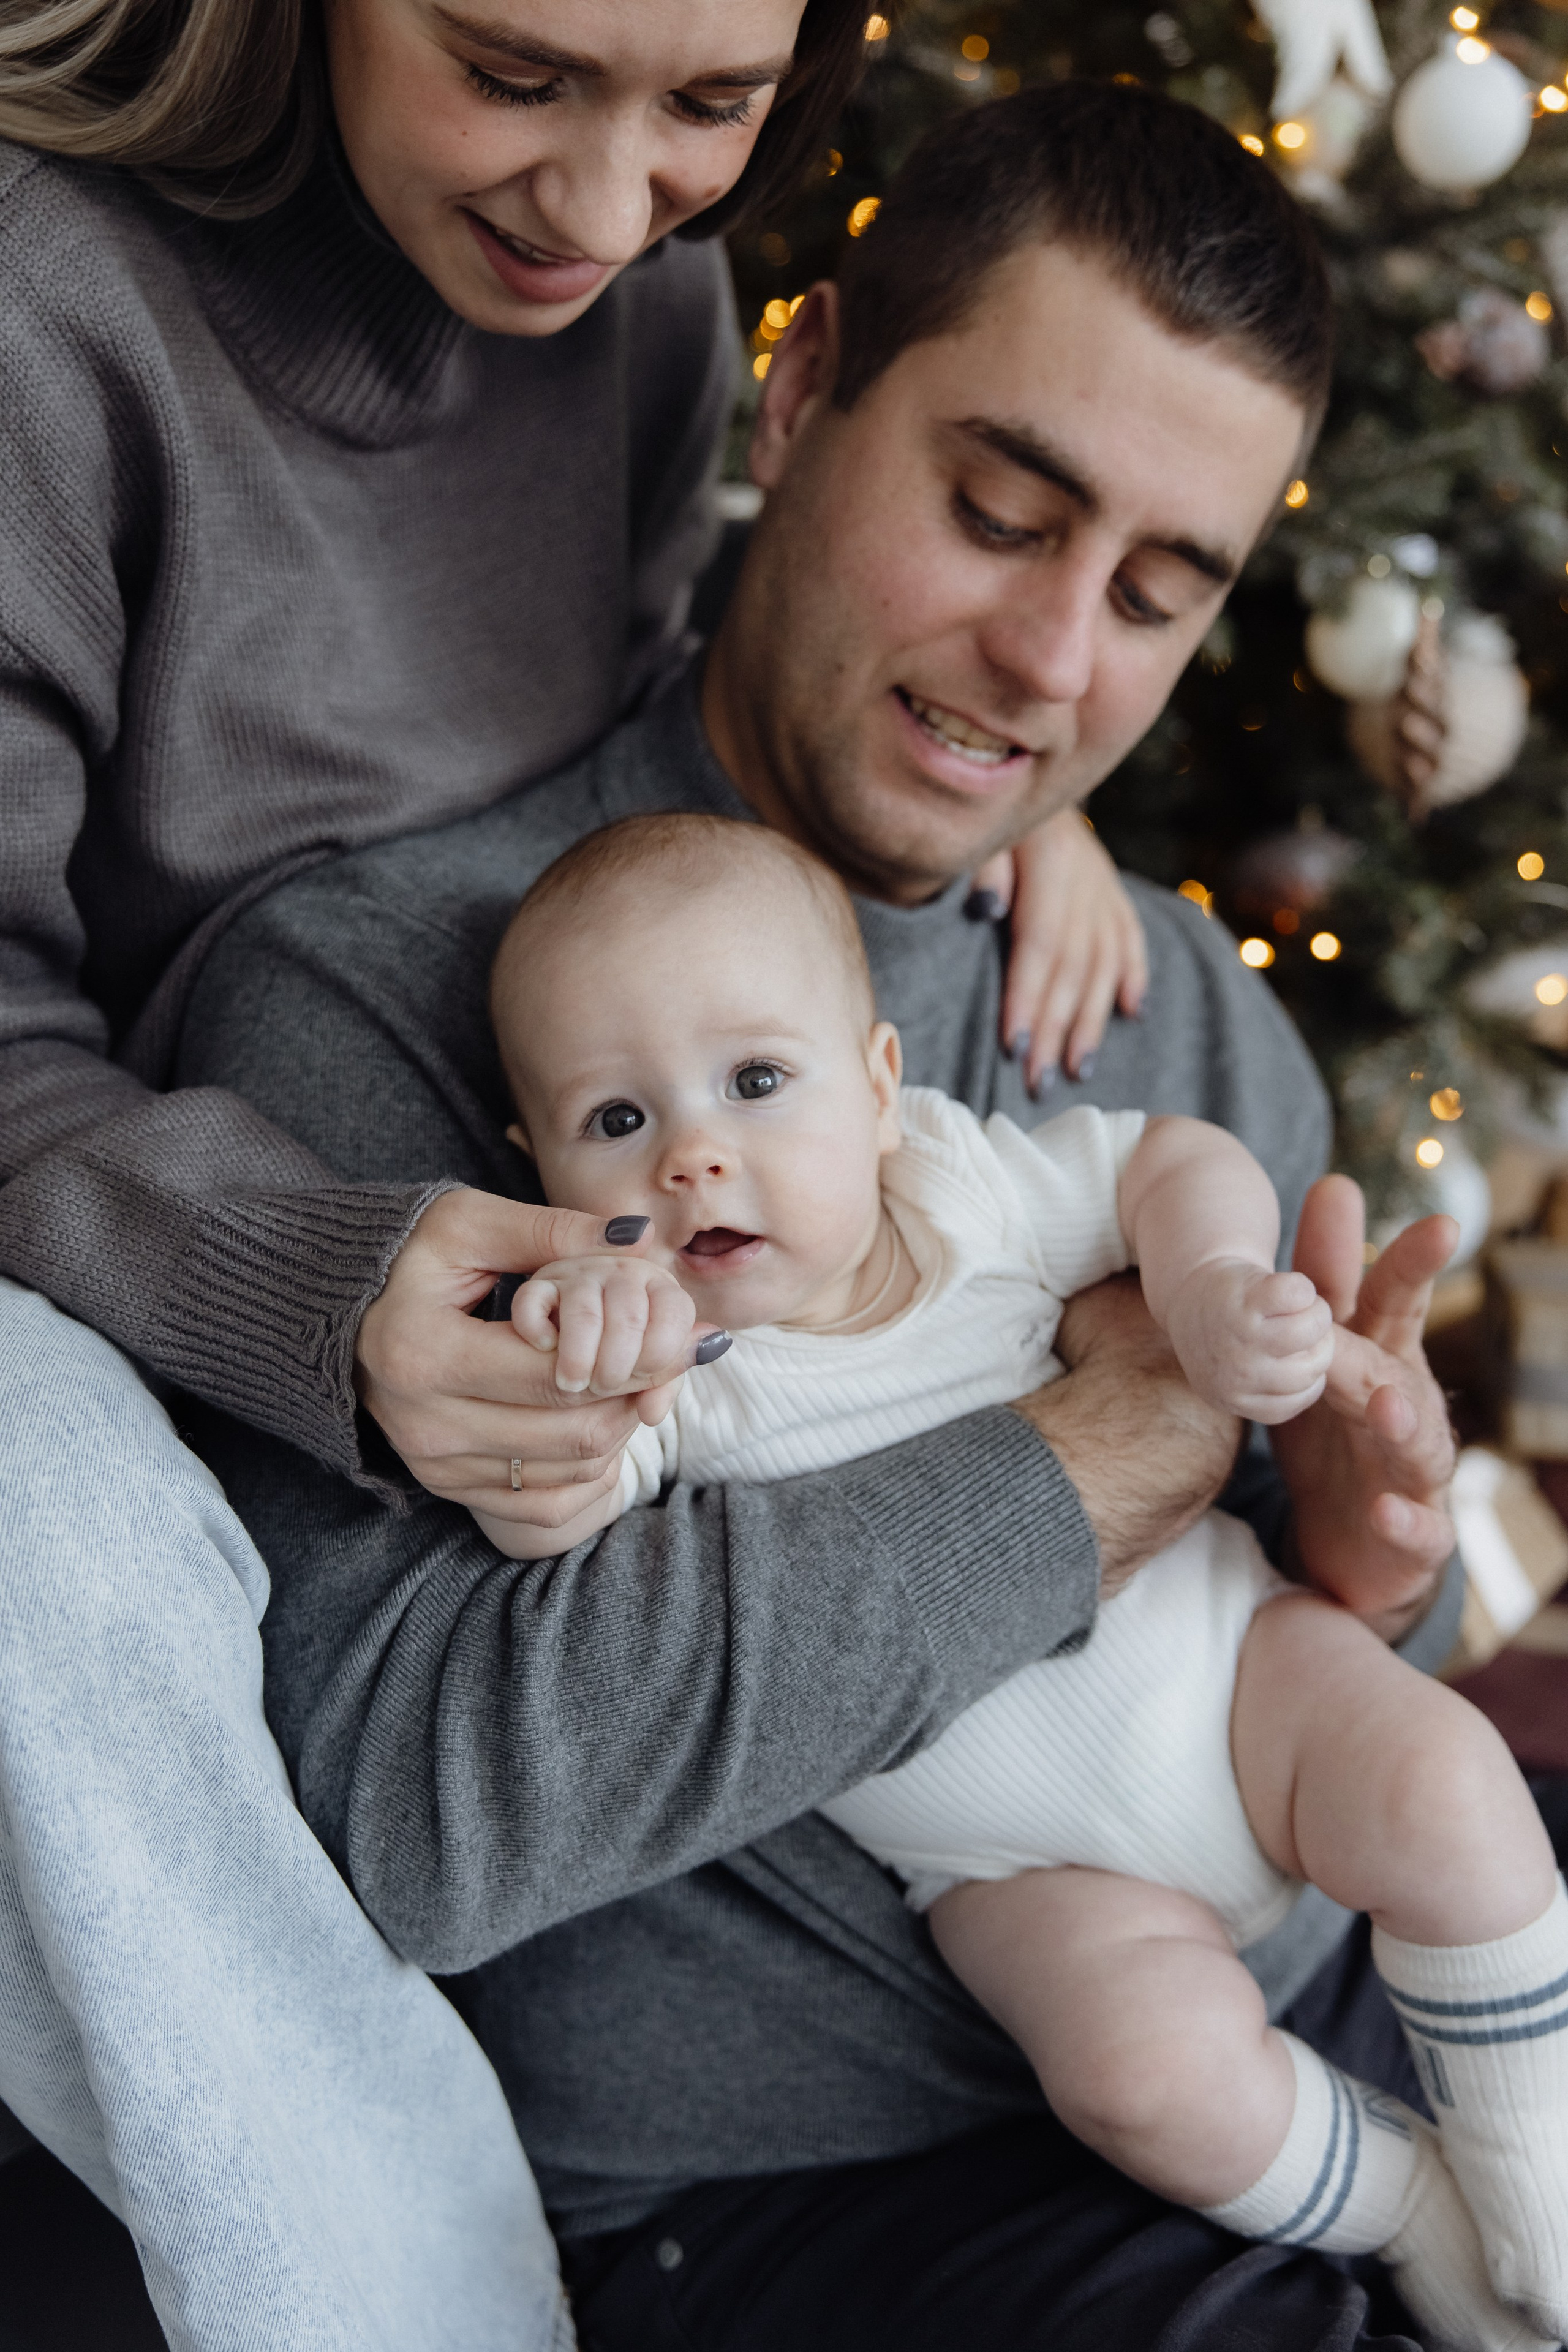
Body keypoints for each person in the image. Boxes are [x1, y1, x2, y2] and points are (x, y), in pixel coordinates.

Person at [170, 83, 1482, 2350]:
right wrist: (1108, 1448)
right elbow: (411, 1807)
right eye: (999, 515)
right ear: (799, 394)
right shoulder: (392, 993)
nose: (1053, 660)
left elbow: (1369, 1685)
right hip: (823, 2208)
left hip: (1337, 2009)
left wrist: (1379, 1554)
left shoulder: (1174, 1018)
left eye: (1154, 595)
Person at [0, 0, 950, 2342]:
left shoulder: (655, 313)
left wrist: (978, 795)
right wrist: (309, 1284)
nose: (609, 209)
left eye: (710, 107)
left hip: (527, 1206)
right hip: (134, 1241)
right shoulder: (46, 300)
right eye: (518, 75)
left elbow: (641, 791)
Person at [480, 808, 1566, 2352]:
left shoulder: (956, 1190)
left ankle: (1538, 2170)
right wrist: (565, 1376)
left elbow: (1167, 1159)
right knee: (1138, 2082)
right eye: (612, 1121)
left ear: (876, 1086)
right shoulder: (673, 1377)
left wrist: (1205, 1286)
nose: (691, 1155)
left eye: (757, 1082)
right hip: (1011, 1872)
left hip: (1231, 1676)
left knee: (1450, 1788)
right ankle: (1415, 2217)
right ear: (534, 1170)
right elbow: (544, 1530)